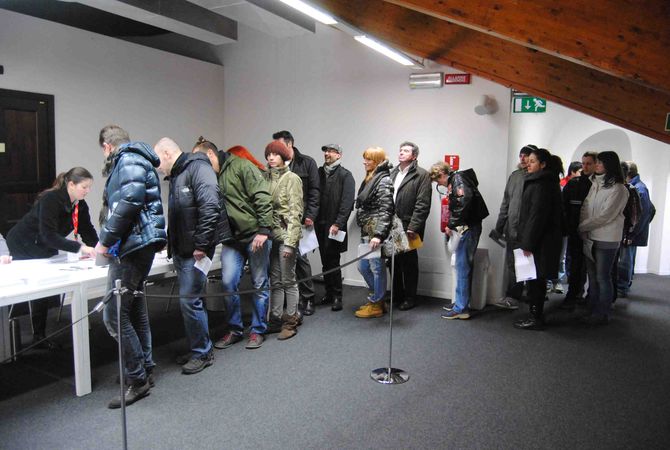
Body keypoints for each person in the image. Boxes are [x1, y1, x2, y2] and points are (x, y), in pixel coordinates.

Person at [95, 125, 167, 408]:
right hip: (140, 242)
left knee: (113, 315)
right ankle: (143, 369)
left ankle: (137, 379)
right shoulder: (135, 158)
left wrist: (105, 240)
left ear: (107, 146)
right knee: (134, 308)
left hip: (133, 245)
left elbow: (129, 201)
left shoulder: (127, 159)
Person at [193, 141, 273, 350]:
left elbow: (262, 195)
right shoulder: (209, 175)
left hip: (255, 235)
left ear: (211, 154)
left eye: (200, 159)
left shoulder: (242, 166)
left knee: (259, 283)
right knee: (228, 284)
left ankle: (258, 330)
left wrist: (264, 230)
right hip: (231, 239)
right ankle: (235, 330)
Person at [6, 167, 98, 348]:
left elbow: (87, 230)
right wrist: (80, 248)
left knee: (48, 283)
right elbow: (48, 235)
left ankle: (39, 332)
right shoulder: (51, 199)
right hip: (24, 242)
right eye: (84, 187)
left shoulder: (79, 205)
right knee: (40, 284)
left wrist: (98, 249)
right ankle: (37, 336)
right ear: (71, 184)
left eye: (89, 187)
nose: (87, 191)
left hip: (45, 243)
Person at [155, 137, 220, 374]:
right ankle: (198, 348)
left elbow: (210, 207)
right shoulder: (178, 174)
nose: (158, 167)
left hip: (195, 251)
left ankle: (202, 353)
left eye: (158, 161)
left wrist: (201, 244)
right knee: (191, 302)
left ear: (167, 153)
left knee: (190, 301)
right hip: (183, 250)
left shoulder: (198, 168)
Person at [430, 162, 489, 320]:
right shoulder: (459, 179)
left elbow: (463, 201)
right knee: (463, 265)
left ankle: (461, 308)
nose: (440, 184)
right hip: (469, 226)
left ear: (442, 175)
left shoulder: (457, 179)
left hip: (467, 227)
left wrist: (451, 224)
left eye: (438, 181)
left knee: (462, 267)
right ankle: (461, 303)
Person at [514, 148, 563, 330]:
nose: (528, 164)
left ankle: (536, 317)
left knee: (535, 280)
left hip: (538, 242)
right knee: (534, 279)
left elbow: (537, 216)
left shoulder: (542, 184)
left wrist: (527, 243)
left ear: (543, 164)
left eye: (532, 161)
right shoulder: (541, 181)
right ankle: (535, 315)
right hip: (537, 240)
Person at [578, 151, 629, 325]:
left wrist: (583, 226)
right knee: (592, 277)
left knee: (602, 277)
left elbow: (606, 215)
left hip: (607, 238)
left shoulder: (618, 189)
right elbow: (586, 207)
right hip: (590, 235)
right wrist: (584, 226)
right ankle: (592, 309)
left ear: (609, 165)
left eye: (599, 162)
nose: (596, 165)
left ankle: (602, 313)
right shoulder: (595, 183)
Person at [272, 131, 320, 315]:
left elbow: (315, 191)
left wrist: (311, 215)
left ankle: (308, 297)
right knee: (283, 262)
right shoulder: (276, 165)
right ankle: (293, 298)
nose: (275, 151)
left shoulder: (307, 162)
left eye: (279, 146)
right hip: (279, 222)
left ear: (289, 144)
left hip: (300, 218)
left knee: (300, 257)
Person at [264, 140, 303, 340]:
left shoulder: (292, 179)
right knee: (275, 280)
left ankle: (291, 321)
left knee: (288, 280)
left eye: (275, 154)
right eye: (269, 154)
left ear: (284, 156)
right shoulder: (266, 178)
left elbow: (296, 212)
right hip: (271, 236)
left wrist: (290, 243)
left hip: (286, 236)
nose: (271, 158)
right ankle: (276, 318)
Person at [388, 141, 432, 311]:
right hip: (391, 224)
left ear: (414, 156)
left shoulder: (422, 175)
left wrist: (413, 226)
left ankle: (410, 297)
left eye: (406, 151)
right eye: (400, 150)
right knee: (393, 261)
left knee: (409, 263)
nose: (401, 152)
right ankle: (397, 294)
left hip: (408, 225)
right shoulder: (392, 172)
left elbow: (422, 204)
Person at [493, 145, 536, 310]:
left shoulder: (537, 178)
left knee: (528, 264)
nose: (523, 159)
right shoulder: (515, 176)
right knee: (513, 264)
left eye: (527, 156)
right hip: (512, 229)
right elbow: (506, 202)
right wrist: (499, 226)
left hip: (528, 230)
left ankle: (531, 297)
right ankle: (514, 296)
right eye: (521, 155)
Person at [354, 147, 394, 319]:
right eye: (365, 158)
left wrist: (378, 235)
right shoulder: (371, 177)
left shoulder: (383, 180)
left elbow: (386, 209)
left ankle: (377, 303)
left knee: (377, 268)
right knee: (363, 267)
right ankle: (378, 298)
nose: (365, 162)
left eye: (368, 159)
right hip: (367, 230)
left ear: (377, 161)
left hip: (375, 232)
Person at [315, 144, 355, 312]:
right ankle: (329, 293)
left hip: (334, 226)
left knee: (333, 261)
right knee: (325, 262)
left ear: (339, 155)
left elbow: (347, 203)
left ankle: (338, 296)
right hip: (319, 225)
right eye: (326, 151)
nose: (327, 154)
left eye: (331, 151)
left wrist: (338, 223)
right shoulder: (318, 173)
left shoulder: (345, 175)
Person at [559, 151, 597, 310]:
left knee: (594, 269)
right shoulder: (573, 184)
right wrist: (567, 227)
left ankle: (592, 298)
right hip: (575, 232)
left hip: (595, 233)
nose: (585, 167)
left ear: (596, 165)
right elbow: (563, 207)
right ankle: (573, 294)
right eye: (584, 163)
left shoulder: (599, 186)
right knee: (575, 266)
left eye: (589, 163)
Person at [617, 161, 655, 297]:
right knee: (627, 260)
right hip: (631, 232)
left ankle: (622, 288)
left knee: (625, 261)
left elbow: (644, 214)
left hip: (630, 232)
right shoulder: (638, 187)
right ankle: (624, 285)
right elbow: (651, 210)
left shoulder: (638, 189)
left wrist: (632, 233)